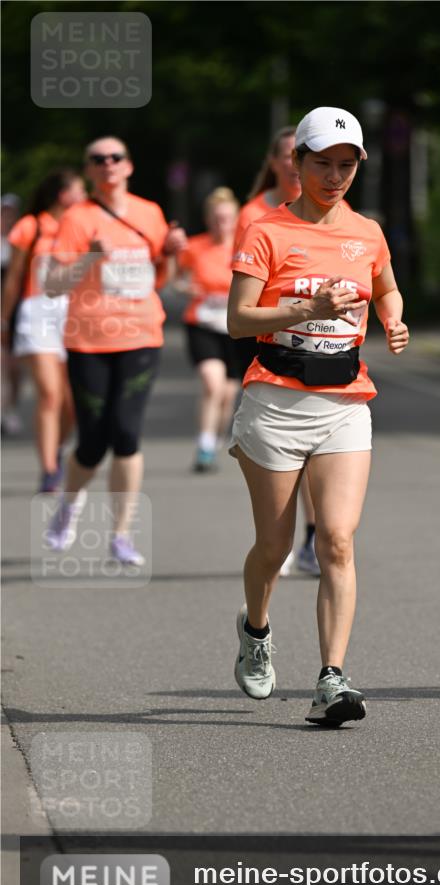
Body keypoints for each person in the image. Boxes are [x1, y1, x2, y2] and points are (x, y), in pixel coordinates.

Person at [227, 107, 409, 725]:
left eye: (347, 165)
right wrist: (304, 312)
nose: (335, 177)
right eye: (323, 164)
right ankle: (256, 630)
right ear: (297, 163)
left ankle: (332, 677)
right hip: (274, 401)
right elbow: (238, 319)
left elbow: (384, 284)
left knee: (335, 538)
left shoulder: (369, 231)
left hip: (345, 402)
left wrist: (394, 317)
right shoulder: (265, 231)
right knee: (274, 546)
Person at [43, 135, 187, 564]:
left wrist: (174, 254)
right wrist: (88, 257)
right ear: (88, 170)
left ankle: (121, 534)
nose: (107, 164)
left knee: (125, 434)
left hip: (141, 335)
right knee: (92, 442)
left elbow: (161, 276)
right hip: (88, 339)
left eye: (115, 157)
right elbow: (52, 286)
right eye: (97, 159)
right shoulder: (77, 217)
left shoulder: (150, 213)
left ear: (128, 166)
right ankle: (70, 503)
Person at [237, 126, 320, 576]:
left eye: (299, 154)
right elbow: (244, 282)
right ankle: (277, 537)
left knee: (312, 447)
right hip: (261, 338)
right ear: (275, 162)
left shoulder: (332, 211)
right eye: (286, 155)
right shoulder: (253, 214)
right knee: (279, 445)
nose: (293, 162)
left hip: (316, 345)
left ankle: (309, 539)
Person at [1, 170, 86, 491]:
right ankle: (49, 467)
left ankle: (59, 448)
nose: (83, 194)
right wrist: (4, 319)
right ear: (62, 194)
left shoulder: (82, 226)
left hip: (75, 314)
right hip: (37, 312)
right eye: (78, 189)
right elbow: (14, 277)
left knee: (71, 402)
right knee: (49, 394)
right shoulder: (31, 226)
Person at [177, 187, 255, 471]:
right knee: (212, 382)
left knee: (227, 394)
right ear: (208, 219)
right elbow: (176, 278)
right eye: (216, 218)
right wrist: (187, 288)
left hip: (236, 327)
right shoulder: (195, 247)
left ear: (236, 218)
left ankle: (214, 441)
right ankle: (204, 445)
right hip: (202, 322)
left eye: (226, 217)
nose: (221, 223)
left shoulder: (246, 246)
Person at [1, 192, 25, 436]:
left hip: (17, 311)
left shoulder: (21, 242)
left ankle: (11, 408)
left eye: (10, 213)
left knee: (14, 367)